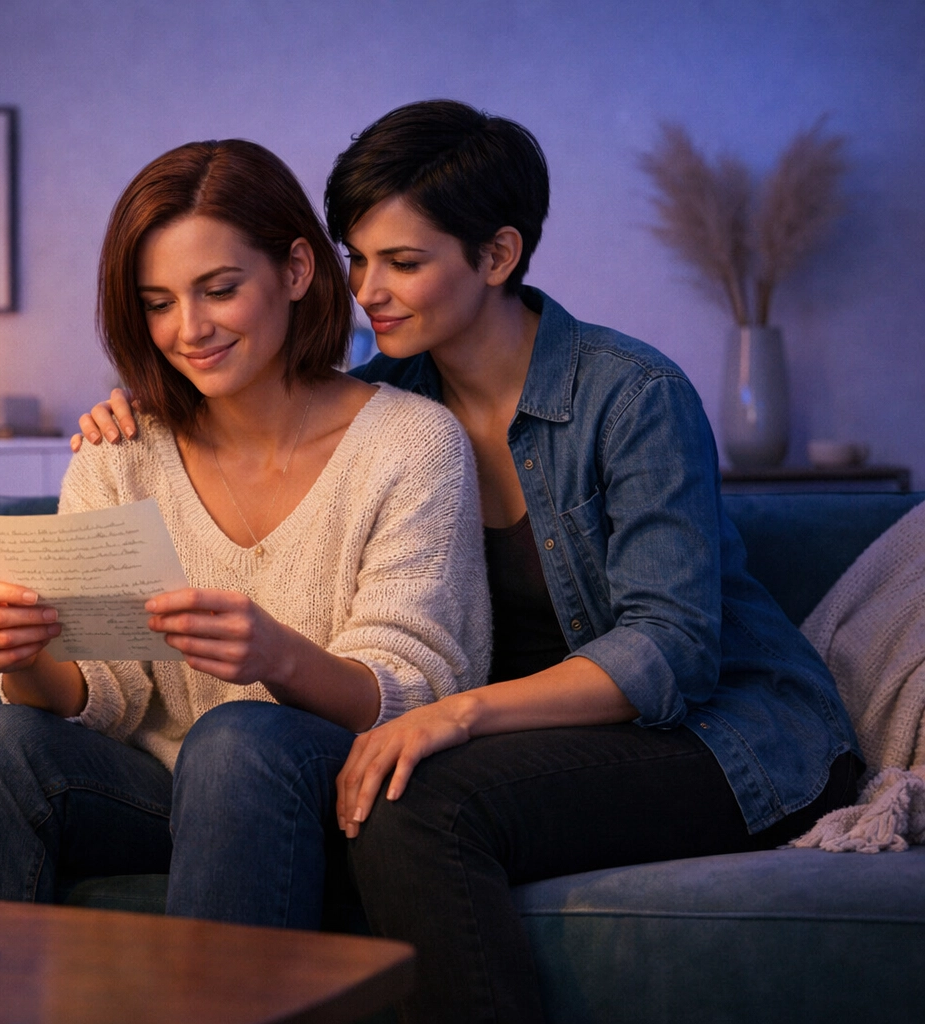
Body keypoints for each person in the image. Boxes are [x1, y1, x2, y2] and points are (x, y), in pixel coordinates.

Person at [73, 101, 861, 1023]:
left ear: (496, 256)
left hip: (722, 735)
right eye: (358, 259)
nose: (370, 290)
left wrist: (457, 714)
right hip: (523, 739)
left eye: (405, 263)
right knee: (384, 788)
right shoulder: (382, 412)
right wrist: (142, 405)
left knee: (416, 805)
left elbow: (670, 651)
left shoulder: (632, 393)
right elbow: (258, 401)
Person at [0, 138, 491, 931]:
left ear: (295, 271)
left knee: (235, 740)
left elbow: (414, 690)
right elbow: (107, 694)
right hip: (163, 790)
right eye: (157, 303)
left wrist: (276, 656)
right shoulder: (120, 454)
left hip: (336, 784)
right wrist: (31, 659)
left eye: (218, 290)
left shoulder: (411, 444)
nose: (189, 330)